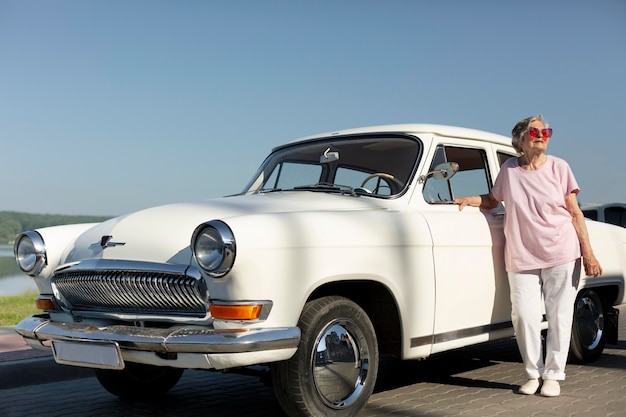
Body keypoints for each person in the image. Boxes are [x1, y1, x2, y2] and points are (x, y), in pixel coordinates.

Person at [455, 115, 602, 397]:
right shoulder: (509, 170)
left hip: (561, 251)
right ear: (520, 139)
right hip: (522, 254)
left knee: (559, 315)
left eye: (546, 131)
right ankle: (532, 373)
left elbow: (575, 212)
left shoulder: (560, 168)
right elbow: (492, 199)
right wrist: (470, 199)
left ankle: (553, 375)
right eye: (535, 131)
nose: (541, 135)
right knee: (523, 315)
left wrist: (589, 254)